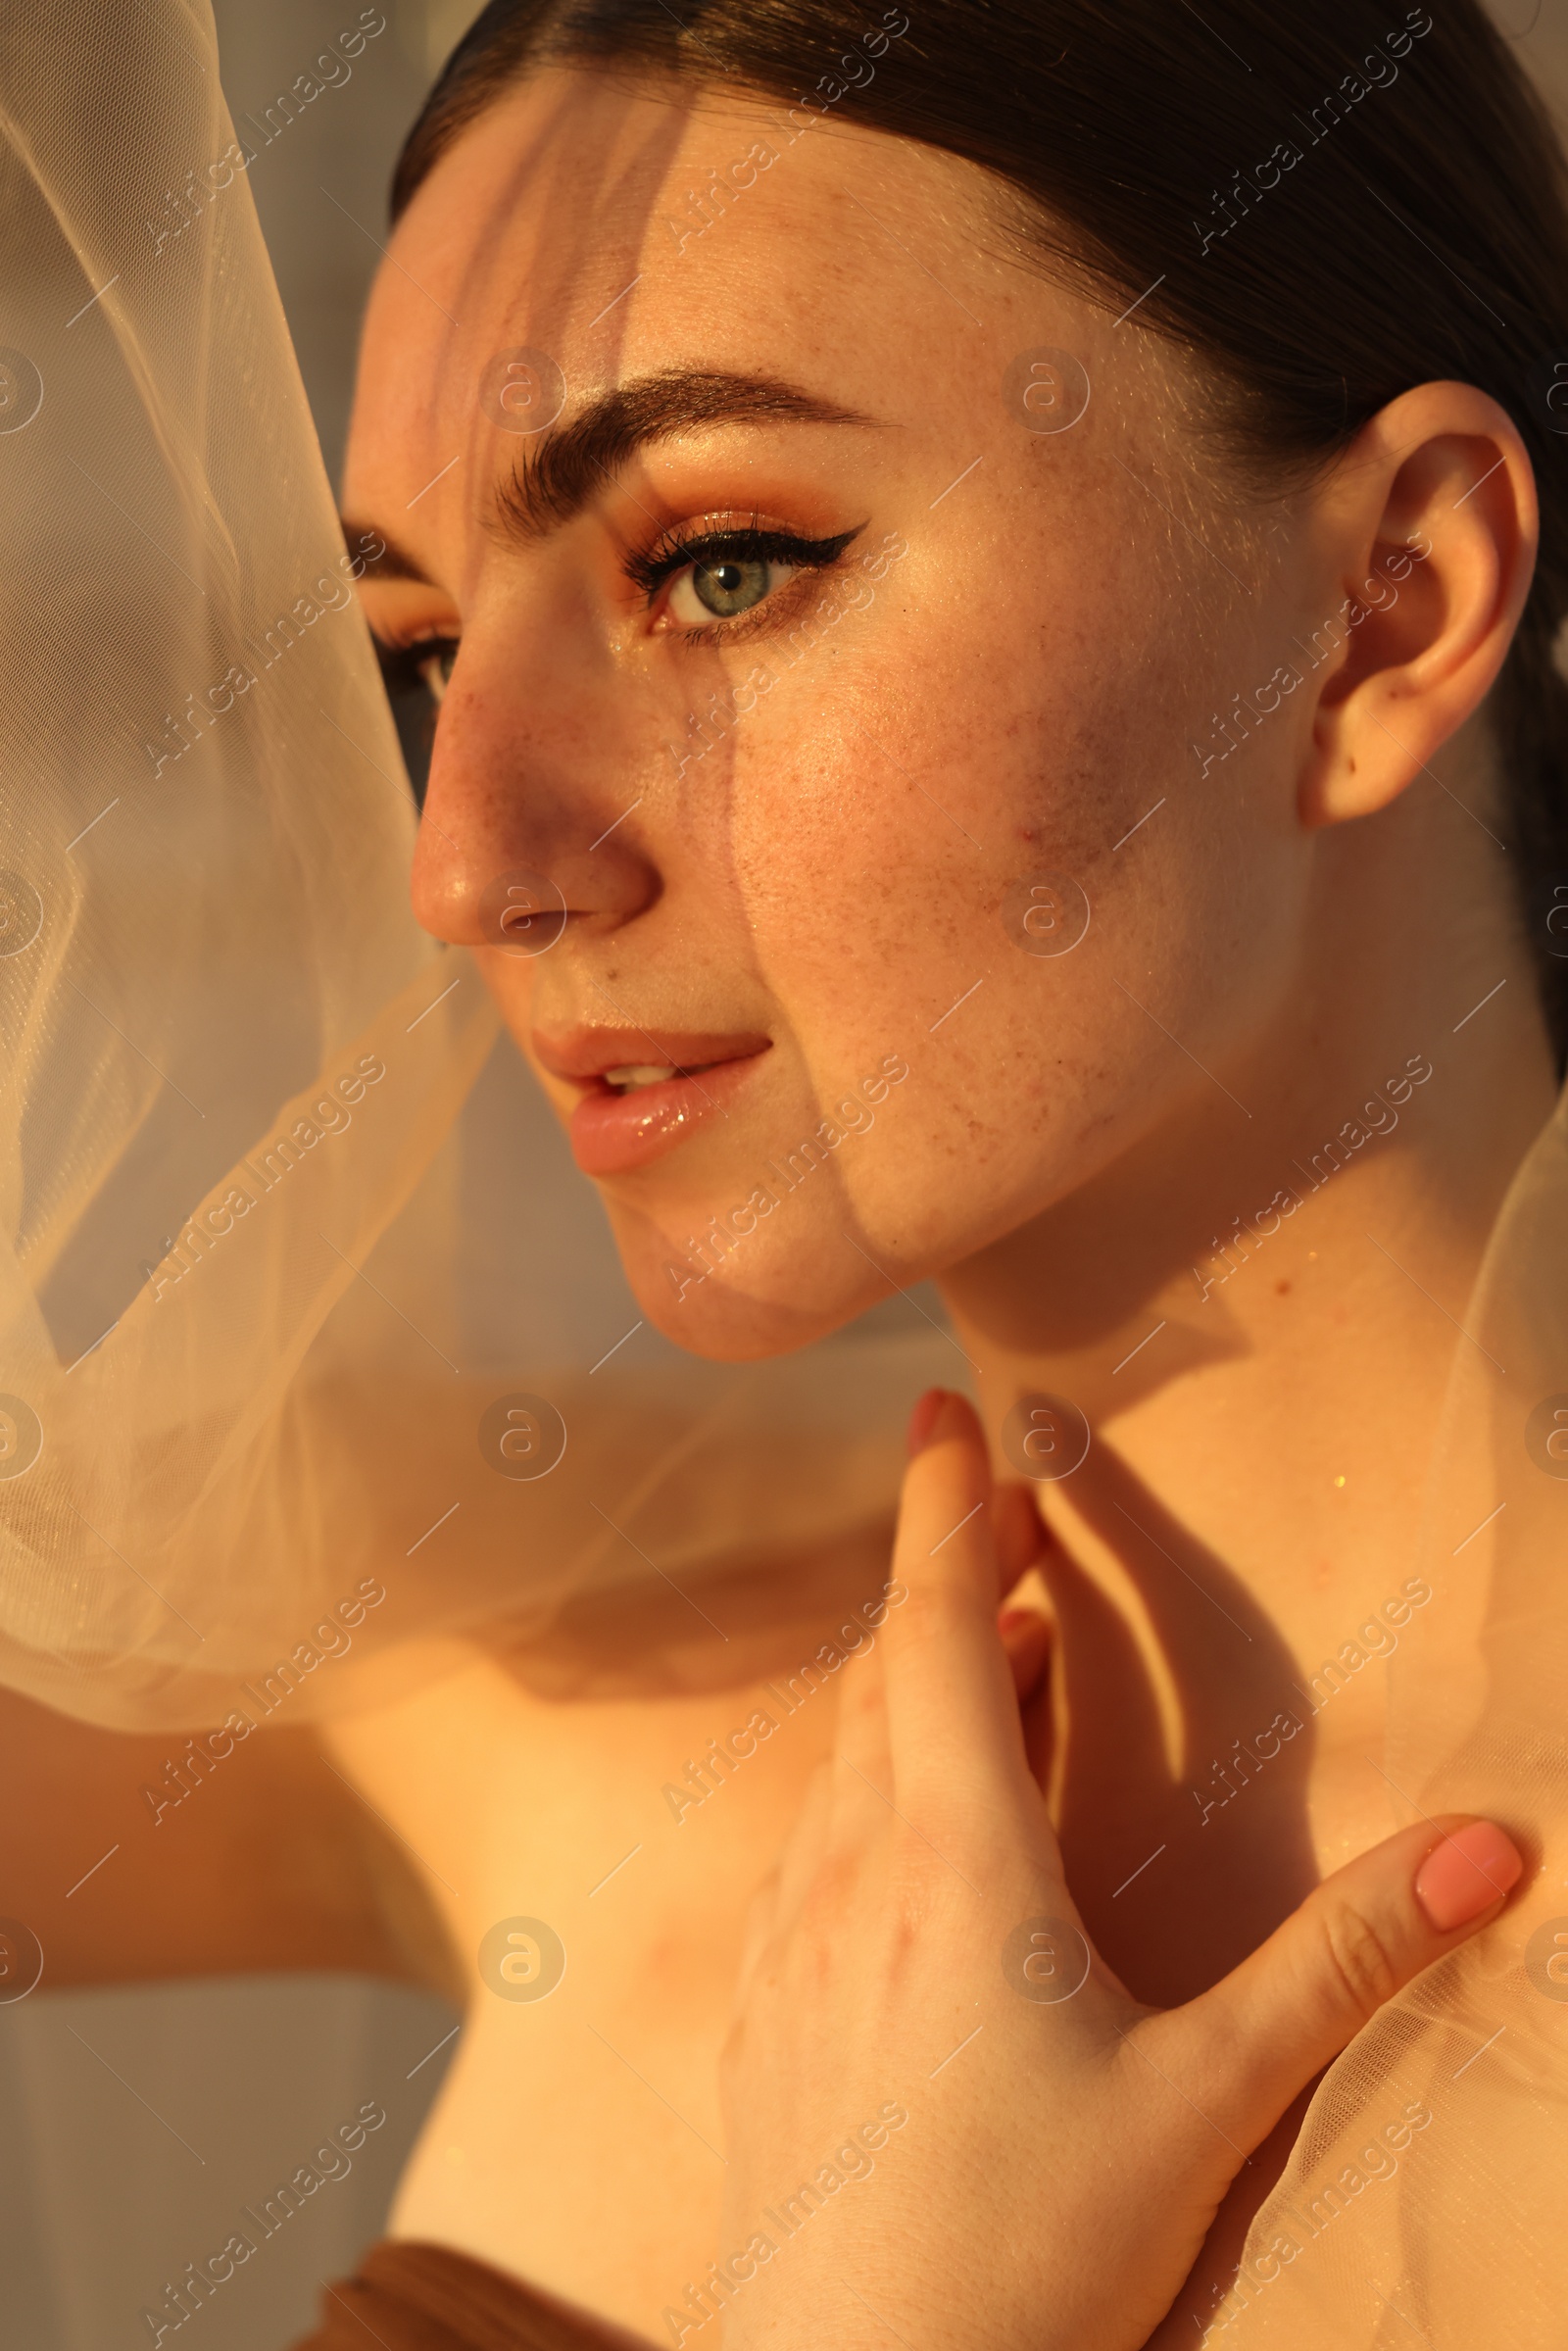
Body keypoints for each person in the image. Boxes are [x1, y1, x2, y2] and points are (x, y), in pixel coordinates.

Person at [281, 0, 1568, 2344]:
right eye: (424, 649)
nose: (467, 865)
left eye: (725, 567)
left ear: (1386, 601)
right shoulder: (549, 1700)